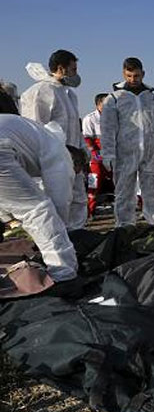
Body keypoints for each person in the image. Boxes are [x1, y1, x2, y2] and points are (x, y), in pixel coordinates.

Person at [0, 114, 78, 281]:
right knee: (37, 211)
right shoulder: (60, 153)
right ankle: (64, 275)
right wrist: (62, 233)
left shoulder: (38, 135)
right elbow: (59, 202)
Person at [101, 57, 154, 228]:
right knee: (124, 192)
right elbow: (108, 129)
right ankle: (125, 226)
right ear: (123, 74)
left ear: (143, 74)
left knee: (153, 192)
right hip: (125, 153)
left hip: (151, 153)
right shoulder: (114, 98)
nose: (132, 80)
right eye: (129, 76)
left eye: (136, 76)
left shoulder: (153, 98)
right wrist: (108, 153)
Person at [20, 49, 88, 230]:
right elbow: (34, 129)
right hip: (53, 163)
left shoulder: (68, 94)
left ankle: (77, 243)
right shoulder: (41, 92)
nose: (76, 74)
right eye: (73, 69)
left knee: (78, 201)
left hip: (73, 160)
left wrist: (82, 152)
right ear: (61, 68)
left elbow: (75, 127)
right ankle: (57, 245)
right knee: (56, 205)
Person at [82, 93, 113, 216]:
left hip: (112, 155)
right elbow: (87, 139)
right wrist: (97, 156)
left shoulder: (114, 117)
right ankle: (89, 211)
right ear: (98, 104)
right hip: (97, 157)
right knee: (94, 182)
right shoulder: (90, 118)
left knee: (122, 181)